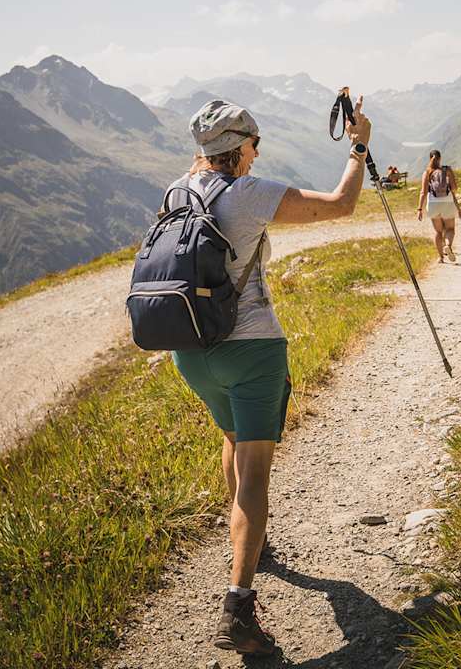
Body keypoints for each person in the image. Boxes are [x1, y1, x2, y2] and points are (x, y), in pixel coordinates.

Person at [167, 97, 372, 655]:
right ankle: (238, 607)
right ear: (240, 147)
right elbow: (342, 204)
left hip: (191, 350)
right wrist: (358, 146)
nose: (257, 156)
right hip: (251, 348)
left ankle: (252, 544)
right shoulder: (248, 193)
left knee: (232, 438)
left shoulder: (177, 191)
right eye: (254, 145)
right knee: (255, 471)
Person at [417, 149, 461, 263]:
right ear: (440, 158)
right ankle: (448, 245)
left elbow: (423, 192)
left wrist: (419, 209)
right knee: (450, 229)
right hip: (447, 202)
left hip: (433, 204)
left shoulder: (427, 172)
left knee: (438, 232)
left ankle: (441, 257)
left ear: (430, 158)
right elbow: (454, 188)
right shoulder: (447, 170)